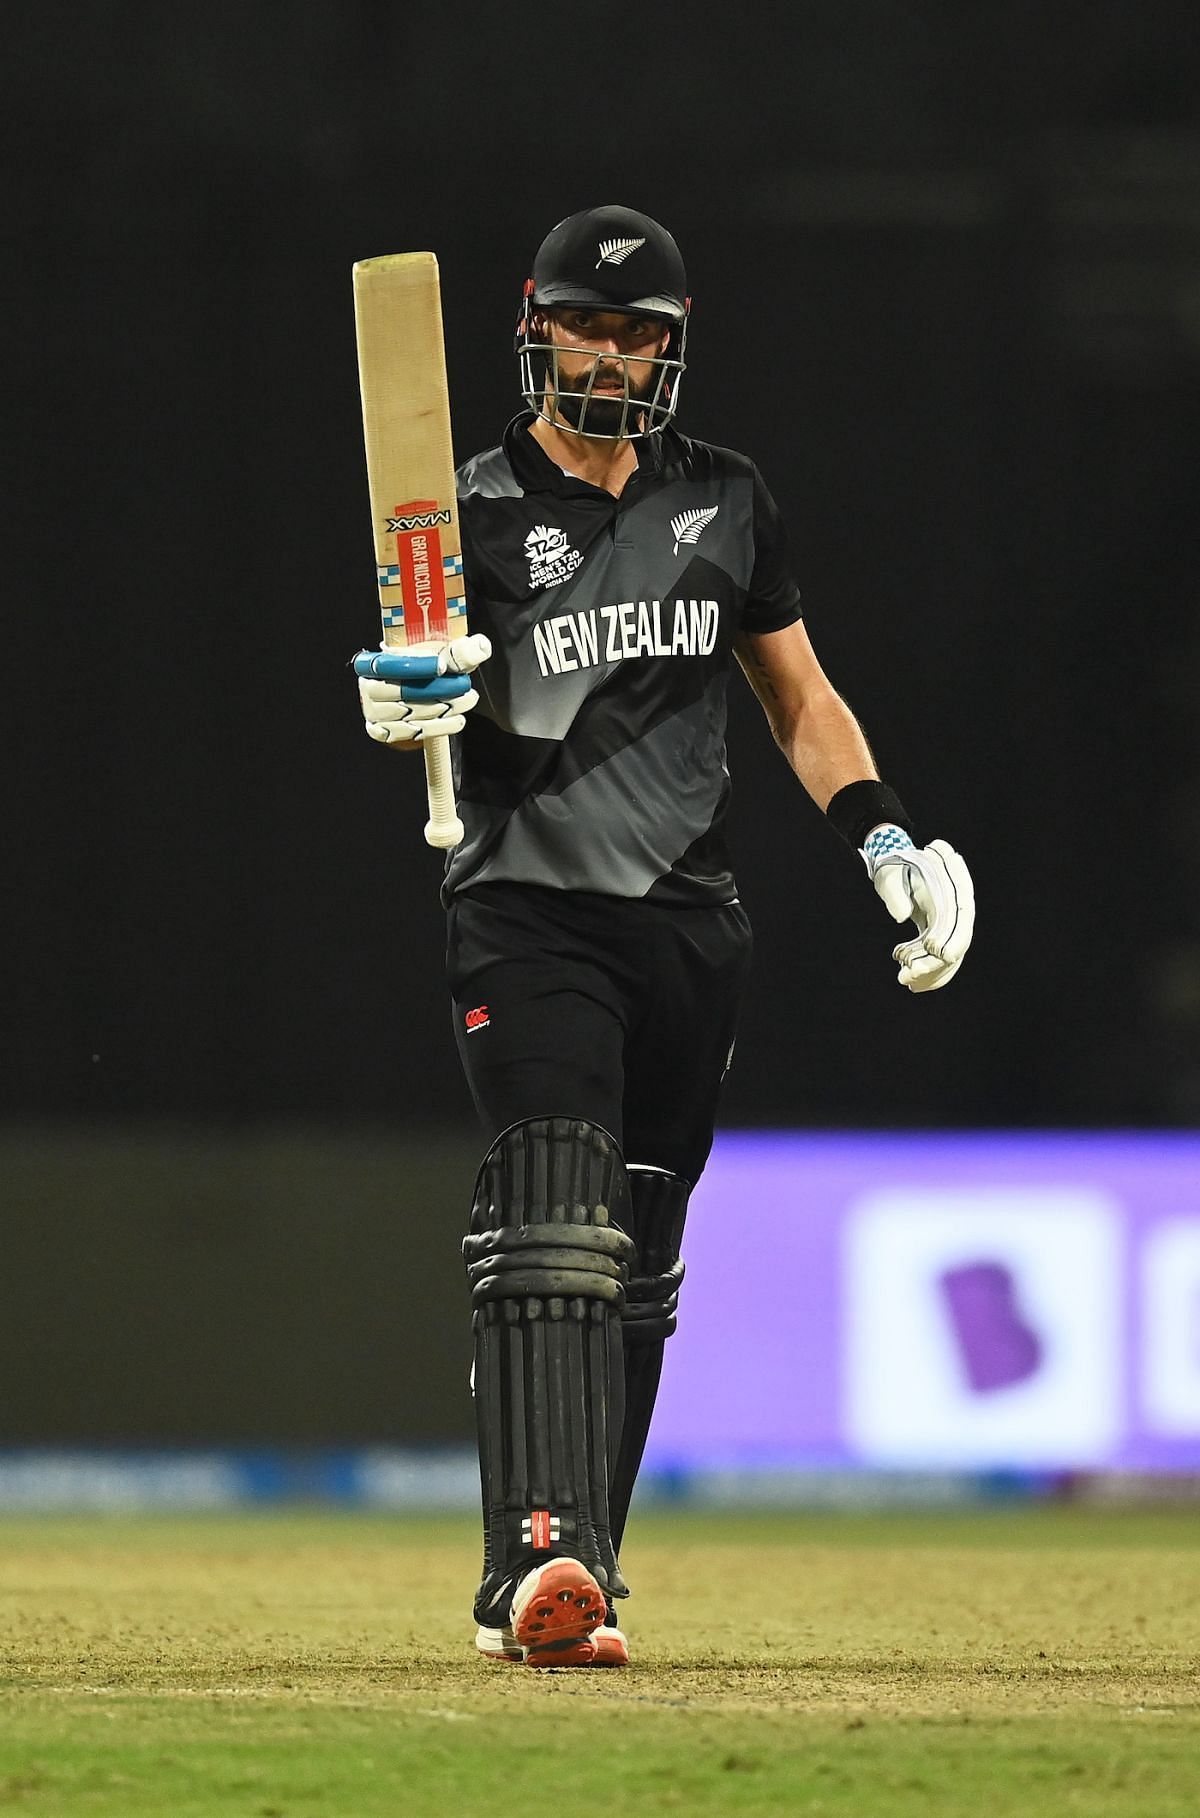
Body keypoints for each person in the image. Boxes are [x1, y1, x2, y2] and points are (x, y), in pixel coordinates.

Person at [355, 205, 975, 1668]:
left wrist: (884, 830)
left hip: (690, 929)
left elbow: (799, 698)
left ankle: (588, 1563)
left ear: (672, 350)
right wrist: (402, 704)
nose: (615, 354)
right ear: (538, 329)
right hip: (525, 909)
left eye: (642, 335)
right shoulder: (469, 511)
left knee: (632, 1259)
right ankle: (535, 1556)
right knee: (556, 1207)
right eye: (590, 325)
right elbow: (426, 695)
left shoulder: (730, 499)